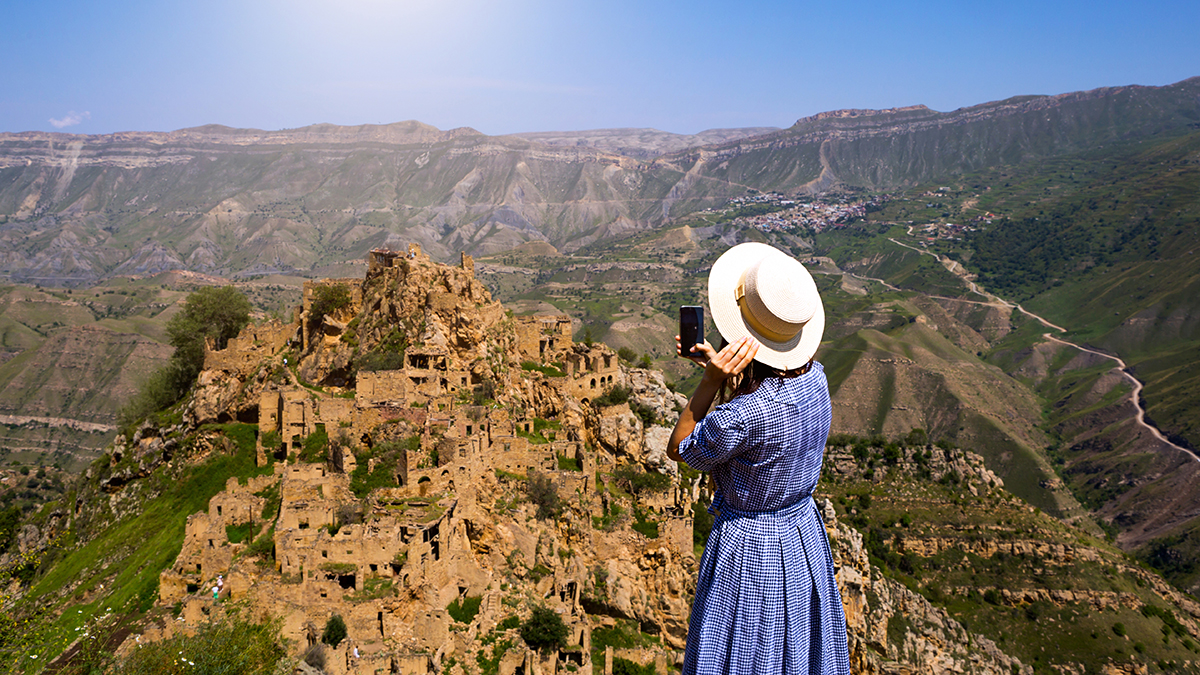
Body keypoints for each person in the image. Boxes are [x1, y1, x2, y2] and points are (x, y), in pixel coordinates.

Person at [667, 242, 850, 675]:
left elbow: (681, 449)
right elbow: (772, 399)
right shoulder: (817, 379)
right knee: (794, 653)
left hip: (749, 549)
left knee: (743, 653)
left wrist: (709, 383)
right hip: (802, 536)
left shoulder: (742, 416)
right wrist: (723, 369)